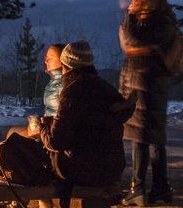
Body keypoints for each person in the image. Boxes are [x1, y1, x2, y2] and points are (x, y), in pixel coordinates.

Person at [119, 0, 182, 205]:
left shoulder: (159, 22)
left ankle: (139, 188)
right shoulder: (162, 21)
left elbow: (132, 42)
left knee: (142, 136)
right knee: (152, 136)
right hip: (148, 82)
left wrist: (127, 18)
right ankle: (160, 188)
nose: (134, 2)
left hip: (145, 83)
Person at [38, 41, 134, 189]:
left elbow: (55, 142)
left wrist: (43, 125)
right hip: (112, 170)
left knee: (39, 152)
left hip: (83, 172)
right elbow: (122, 110)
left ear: (65, 65)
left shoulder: (72, 91)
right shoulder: (105, 87)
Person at [41, 42, 65, 119]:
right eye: (46, 58)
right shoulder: (55, 80)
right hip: (49, 125)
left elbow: (64, 117)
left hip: (56, 128)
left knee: (13, 130)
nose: (46, 61)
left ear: (63, 61)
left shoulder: (64, 83)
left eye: (50, 58)